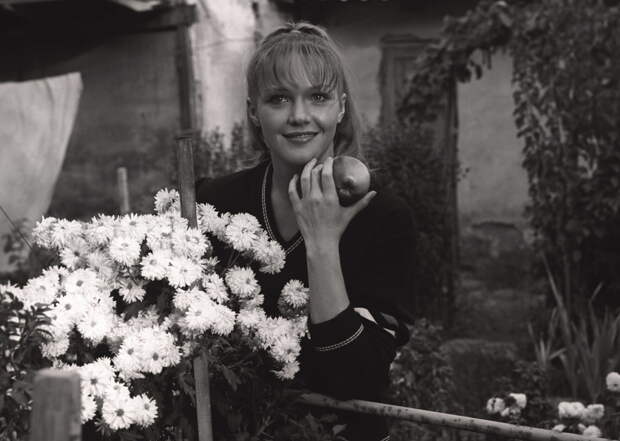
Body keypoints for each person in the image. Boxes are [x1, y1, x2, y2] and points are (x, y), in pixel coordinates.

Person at [196, 22, 416, 441]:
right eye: (278, 98)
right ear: (253, 112)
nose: (299, 116)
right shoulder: (215, 203)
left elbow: (357, 379)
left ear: (341, 108)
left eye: (318, 97)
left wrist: (321, 243)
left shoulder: (383, 218)